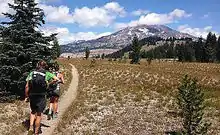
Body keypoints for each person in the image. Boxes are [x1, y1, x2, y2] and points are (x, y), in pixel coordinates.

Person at [25, 60, 59, 135]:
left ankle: (30, 127)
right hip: (41, 95)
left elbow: (27, 86)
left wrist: (27, 96)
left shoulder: (32, 73)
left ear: (38, 65)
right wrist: (48, 83)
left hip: (32, 95)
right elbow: (57, 79)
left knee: (33, 112)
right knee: (39, 114)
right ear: (44, 66)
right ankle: (36, 132)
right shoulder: (46, 73)